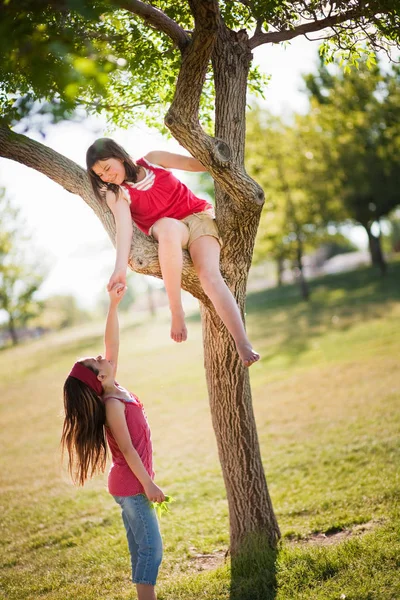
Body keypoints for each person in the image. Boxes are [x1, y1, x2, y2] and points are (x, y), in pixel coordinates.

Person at [86, 137, 260, 367]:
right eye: (100, 175)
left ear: (119, 156)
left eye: (107, 168)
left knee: (209, 276)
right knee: (167, 226)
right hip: (169, 230)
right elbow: (124, 231)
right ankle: (176, 311)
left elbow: (191, 165)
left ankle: (242, 342)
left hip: (199, 218)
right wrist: (119, 271)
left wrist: (223, 156)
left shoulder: (153, 160)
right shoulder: (117, 193)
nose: (106, 177)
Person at [61, 283, 164, 600]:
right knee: (151, 549)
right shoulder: (113, 406)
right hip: (132, 486)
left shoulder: (113, 386)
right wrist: (149, 485)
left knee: (141, 546)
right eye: (96, 361)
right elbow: (130, 451)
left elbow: (111, 341)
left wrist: (113, 305)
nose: (101, 356)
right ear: (99, 377)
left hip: (128, 484)